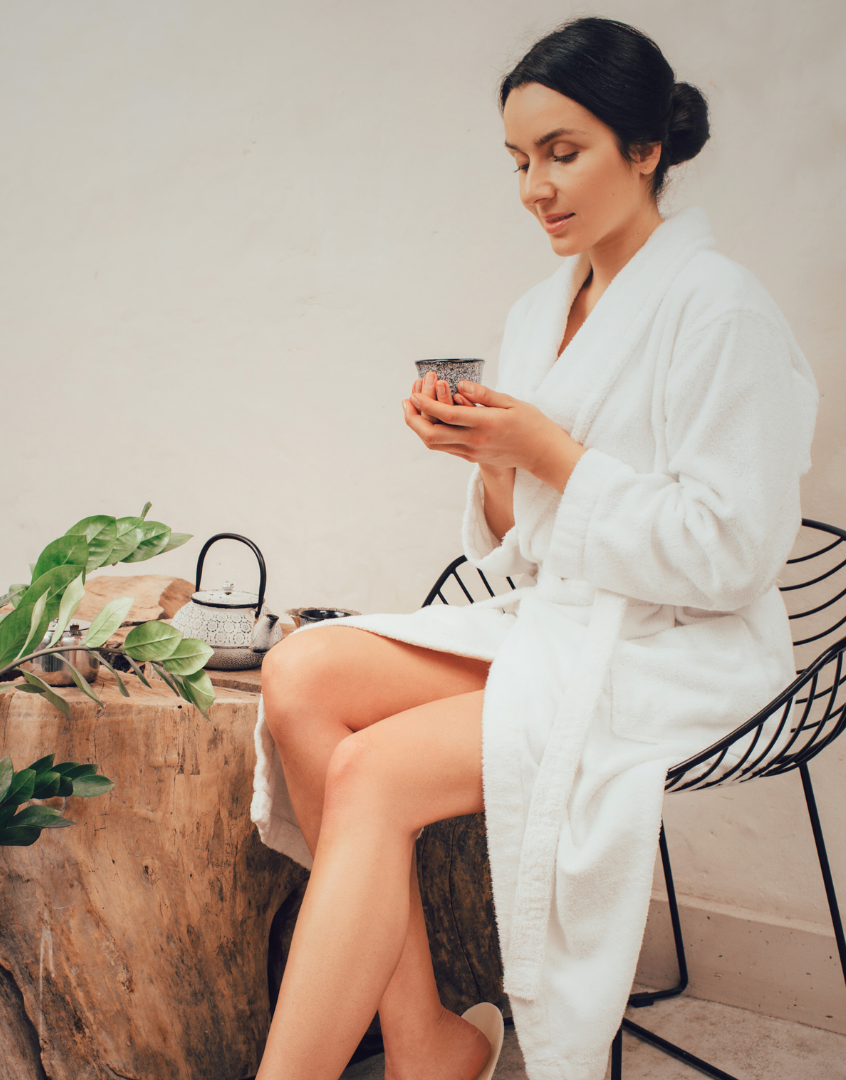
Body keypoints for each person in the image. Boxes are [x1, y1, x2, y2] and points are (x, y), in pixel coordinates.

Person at [250, 17, 819, 1080]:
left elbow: (732, 554)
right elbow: (525, 547)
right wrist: (489, 461)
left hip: (680, 649)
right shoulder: (538, 311)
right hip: (564, 622)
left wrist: (551, 451)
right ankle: (426, 1044)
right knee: (300, 674)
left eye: (563, 153)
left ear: (644, 148)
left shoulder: (721, 311)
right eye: (519, 161)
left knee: (372, 771)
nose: (535, 189)